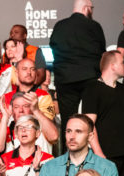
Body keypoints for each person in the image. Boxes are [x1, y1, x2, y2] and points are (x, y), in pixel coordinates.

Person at [82, 50, 124, 176]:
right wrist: (99, 154)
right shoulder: (92, 89)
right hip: (108, 156)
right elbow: (89, 124)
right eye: (122, 63)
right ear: (113, 66)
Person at [49, 0, 105, 141]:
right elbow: (102, 52)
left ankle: (69, 152)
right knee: (92, 121)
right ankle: (95, 152)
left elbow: (53, 47)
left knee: (68, 121)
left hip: (65, 79)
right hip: (90, 78)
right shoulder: (94, 26)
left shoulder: (60, 26)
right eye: (91, 8)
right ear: (86, 8)